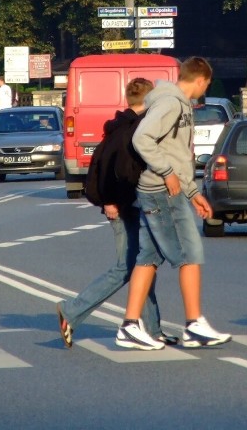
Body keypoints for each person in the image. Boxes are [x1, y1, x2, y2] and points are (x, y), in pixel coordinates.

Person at [116, 57, 232, 350]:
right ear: (201, 80)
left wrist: (194, 194)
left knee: (148, 257)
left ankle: (130, 325)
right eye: (206, 84)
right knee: (190, 253)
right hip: (162, 191)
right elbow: (143, 139)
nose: (205, 89)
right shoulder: (171, 103)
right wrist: (167, 173)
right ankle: (194, 325)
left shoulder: (174, 103)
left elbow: (179, 155)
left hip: (161, 190)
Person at [56, 78, 177, 349]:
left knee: (142, 267)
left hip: (130, 205)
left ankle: (153, 330)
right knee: (127, 268)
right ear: (149, 101)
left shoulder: (120, 126)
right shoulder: (131, 130)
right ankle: (71, 310)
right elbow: (118, 170)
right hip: (125, 207)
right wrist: (110, 201)